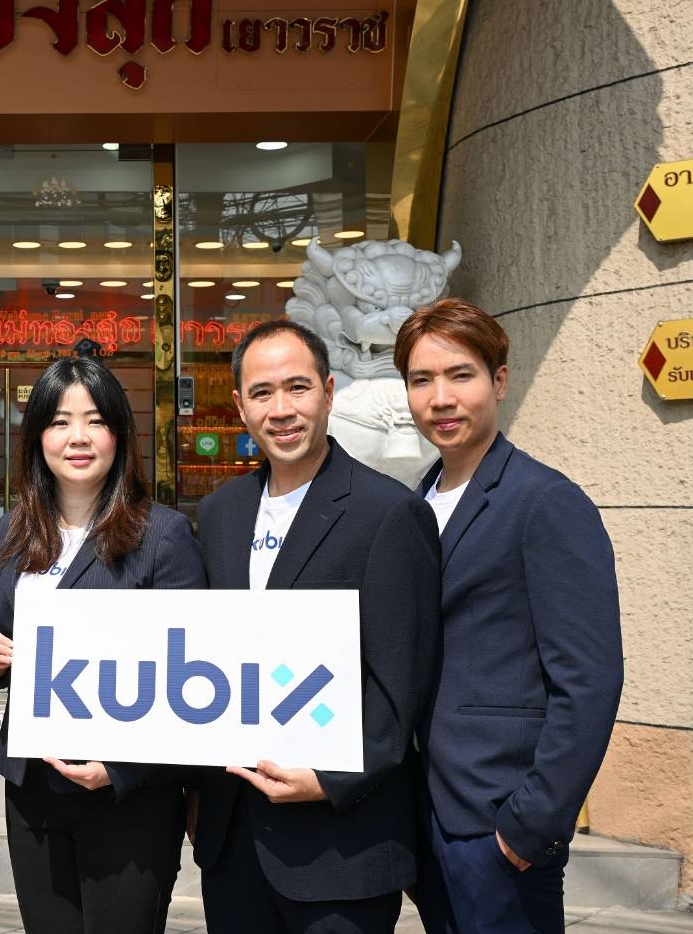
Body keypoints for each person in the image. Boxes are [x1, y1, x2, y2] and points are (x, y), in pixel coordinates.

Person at [192, 319, 442, 934]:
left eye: (297, 387)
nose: (281, 409)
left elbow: (401, 685)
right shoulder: (220, 513)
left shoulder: (390, 513)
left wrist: (329, 780)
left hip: (342, 845)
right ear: (241, 408)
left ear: (329, 392)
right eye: (262, 392)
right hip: (234, 842)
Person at [396, 298, 622, 934]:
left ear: (499, 381)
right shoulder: (414, 502)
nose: (441, 398)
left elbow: (589, 679)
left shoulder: (545, 501)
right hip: (425, 812)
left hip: (498, 822)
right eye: (421, 379)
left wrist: (533, 822)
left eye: (460, 375)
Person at [0, 356, 205, 934]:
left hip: (126, 797)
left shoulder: (162, 534)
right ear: (37, 437)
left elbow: (194, 676)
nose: (77, 437)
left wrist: (121, 768)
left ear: (119, 434)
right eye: (59, 421)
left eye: (95, 420)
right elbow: (17, 643)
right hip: (33, 789)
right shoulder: (11, 531)